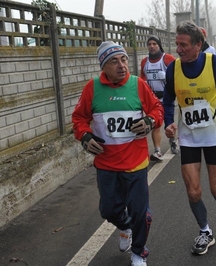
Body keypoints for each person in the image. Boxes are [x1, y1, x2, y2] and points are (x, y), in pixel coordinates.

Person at [72, 41, 164, 266]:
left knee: (141, 213)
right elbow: (78, 119)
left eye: (123, 59)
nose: (122, 65)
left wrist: (150, 120)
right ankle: (124, 226)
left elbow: (157, 109)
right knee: (109, 210)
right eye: (114, 61)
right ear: (103, 66)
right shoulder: (92, 88)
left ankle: (138, 252)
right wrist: (84, 136)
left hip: (136, 163)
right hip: (107, 164)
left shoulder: (138, 84)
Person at [163, 20, 216, 255]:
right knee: (193, 191)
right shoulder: (173, 69)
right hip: (188, 139)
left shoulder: (214, 63)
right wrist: (168, 122)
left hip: (215, 137)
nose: (178, 49)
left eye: (184, 44)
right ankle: (205, 232)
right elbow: (168, 99)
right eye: (176, 44)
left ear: (199, 45)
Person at [140, 36, 178, 161]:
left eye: (154, 44)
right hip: (153, 99)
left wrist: (167, 76)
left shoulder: (168, 59)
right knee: (155, 124)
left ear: (159, 45)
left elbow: (178, 76)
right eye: (149, 44)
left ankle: (172, 141)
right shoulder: (144, 62)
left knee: (169, 123)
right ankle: (157, 151)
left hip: (167, 98)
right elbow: (143, 78)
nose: (152, 46)